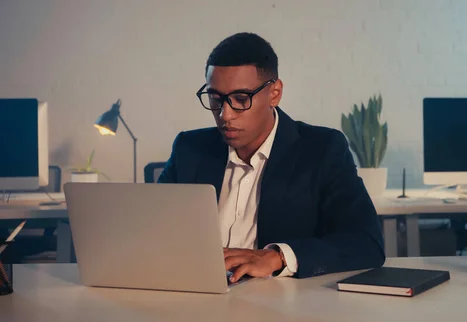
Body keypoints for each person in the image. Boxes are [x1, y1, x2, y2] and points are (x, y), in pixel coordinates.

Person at [158, 32, 384, 282]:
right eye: (215, 99)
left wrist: (279, 257)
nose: (225, 115)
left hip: (281, 309)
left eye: (241, 99)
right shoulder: (189, 148)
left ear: (274, 93)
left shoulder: (322, 149)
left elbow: (367, 242)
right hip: (196, 299)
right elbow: (152, 230)